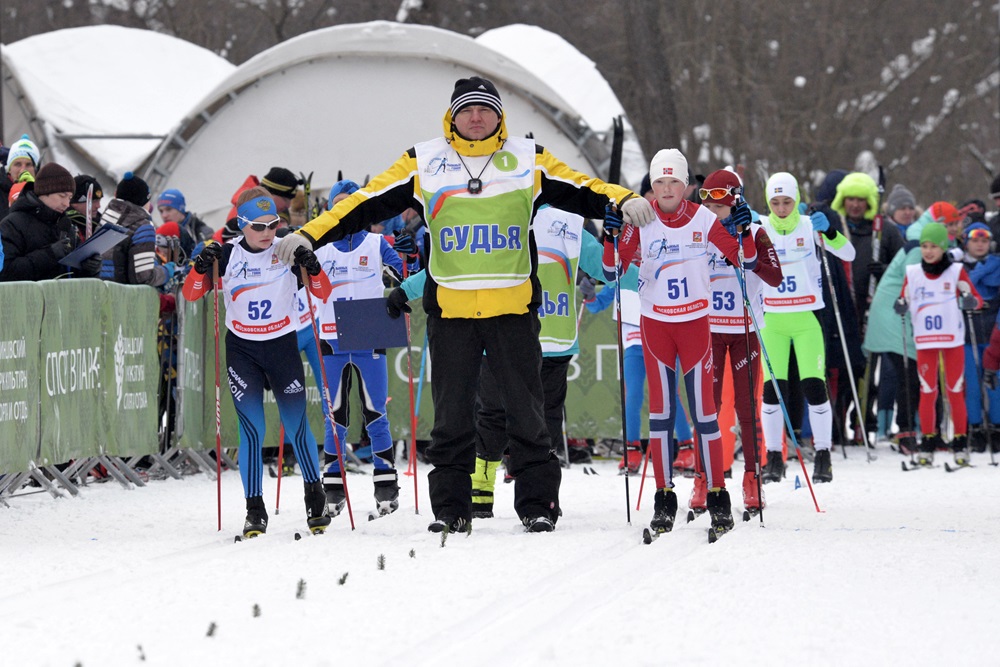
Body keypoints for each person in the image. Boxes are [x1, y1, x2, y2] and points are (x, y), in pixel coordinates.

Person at [277, 75, 647, 533]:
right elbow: (362, 203)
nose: (476, 117)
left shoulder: (526, 159)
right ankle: (451, 512)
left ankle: (537, 505)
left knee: (528, 415)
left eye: (485, 109)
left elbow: (581, 185)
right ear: (452, 116)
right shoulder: (425, 159)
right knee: (451, 418)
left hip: (511, 310)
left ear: (499, 116)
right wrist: (308, 233)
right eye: (467, 110)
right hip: (451, 314)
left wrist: (624, 198)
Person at [605, 148, 759, 538]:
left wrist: (743, 230)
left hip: (694, 325)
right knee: (660, 415)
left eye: (675, 181)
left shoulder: (704, 218)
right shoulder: (640, 218)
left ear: (687, 184)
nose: (668, 189)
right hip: (656, 327)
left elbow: (743, 260)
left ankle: (718, 496)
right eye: (660, 182)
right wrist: (610, 234)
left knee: (705, 415)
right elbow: (612, 268)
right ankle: (663, 497)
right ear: (652, 186)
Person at [181, 186, 333, 538]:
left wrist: (312, 265)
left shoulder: (287, 250)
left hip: (281, 345)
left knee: (295, 425)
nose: (268, 233)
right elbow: (191, 294)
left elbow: (323, 291)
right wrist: (200, 268)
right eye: (259, 227)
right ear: (241, 225)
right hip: (243, 351)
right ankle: (255, 510)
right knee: (252, 431)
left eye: (274, 224)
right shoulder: (228, 255)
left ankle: (315, 497)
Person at [313, 179, 405, 518]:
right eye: (338, 204)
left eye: (351, 203)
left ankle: (386, 485)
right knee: (334, 415)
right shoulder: (321, 247)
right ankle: (333, 488)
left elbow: (403, 276)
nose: (345, 210)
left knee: (375, 412)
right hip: (331, 336)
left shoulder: (378, 243)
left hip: (369, 334)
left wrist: (407, 256)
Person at [758, 172, 856, 485]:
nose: (782, 207)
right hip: (772, 320)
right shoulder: (758, 227)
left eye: (787, 201)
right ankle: (775, 456)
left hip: (806, 319)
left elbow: (848, 254)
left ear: (797, 199)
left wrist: (830, 233)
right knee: (772, 392)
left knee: (814, 386)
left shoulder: (808, 225)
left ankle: (823, 454)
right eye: (775, 202)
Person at [700, 168, 783, 514]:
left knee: (747, 409)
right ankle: (705, 479)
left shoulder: (757, 229)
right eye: (704, 196)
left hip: (745, 329)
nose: (710, 204)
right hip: (709, 331)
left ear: (735, 197)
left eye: (718, 197)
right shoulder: (699, 229)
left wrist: (747, 234)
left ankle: (752, 478)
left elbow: (775, 276)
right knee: (709, 408)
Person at [895, 222, 983, 466]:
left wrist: (969, 302)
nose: (928, 251)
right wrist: (900, 304)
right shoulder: (912, 272)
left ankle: (959, 441)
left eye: (934, 246)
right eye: (924, 246)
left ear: (943, 247)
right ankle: (929, 441)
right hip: (925, 341)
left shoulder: (955, 271)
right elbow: (904, 298)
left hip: (951, 340)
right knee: (927, 392)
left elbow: (976, 298)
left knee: (954, 390)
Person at [0, 162, 102, 281]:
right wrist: (49, 254)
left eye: (69, 198)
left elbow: (72, 277)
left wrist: (88, 269)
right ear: (44, 193)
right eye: (61, 196)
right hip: (26, 299)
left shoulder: (67, 225)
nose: (66, 204)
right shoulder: (12, 225)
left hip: (63, 298)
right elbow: (5, 272)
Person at [959, 223, 1000, 451]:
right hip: (969, 335)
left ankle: (995, 428)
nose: (980, 245)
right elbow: (966, 286)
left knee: (994, 385)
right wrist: (982, 269)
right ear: (967, 243)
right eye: (975, 241)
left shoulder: (997, 264)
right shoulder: (959, 266)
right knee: (972, 386)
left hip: (994, 336)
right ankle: (975, 428)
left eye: (984, 241)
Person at [98, 172, 173, 287]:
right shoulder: (142, 227)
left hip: (99, 294)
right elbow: (144, 278)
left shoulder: (106, 219)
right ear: (142, 201)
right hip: (124, 300)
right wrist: (167, 271)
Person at [157, 188, 213, 257]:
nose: (164, 215)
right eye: (161, 211)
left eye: (169, 209)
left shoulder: (201, 232)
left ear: (180, 209)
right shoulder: (160, 236)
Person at [1, 134, 40, 219]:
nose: (23, 170)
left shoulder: (45, 193)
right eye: (17, 164)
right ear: (9, 169)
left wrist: (32, 190)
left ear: (36, 169)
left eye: (29, 164)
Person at [64, 174, 103, 241]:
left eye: (99, 200)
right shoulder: (62, 223)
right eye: (93, 201)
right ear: (75, 202)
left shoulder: (100, 224)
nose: (98, 206)